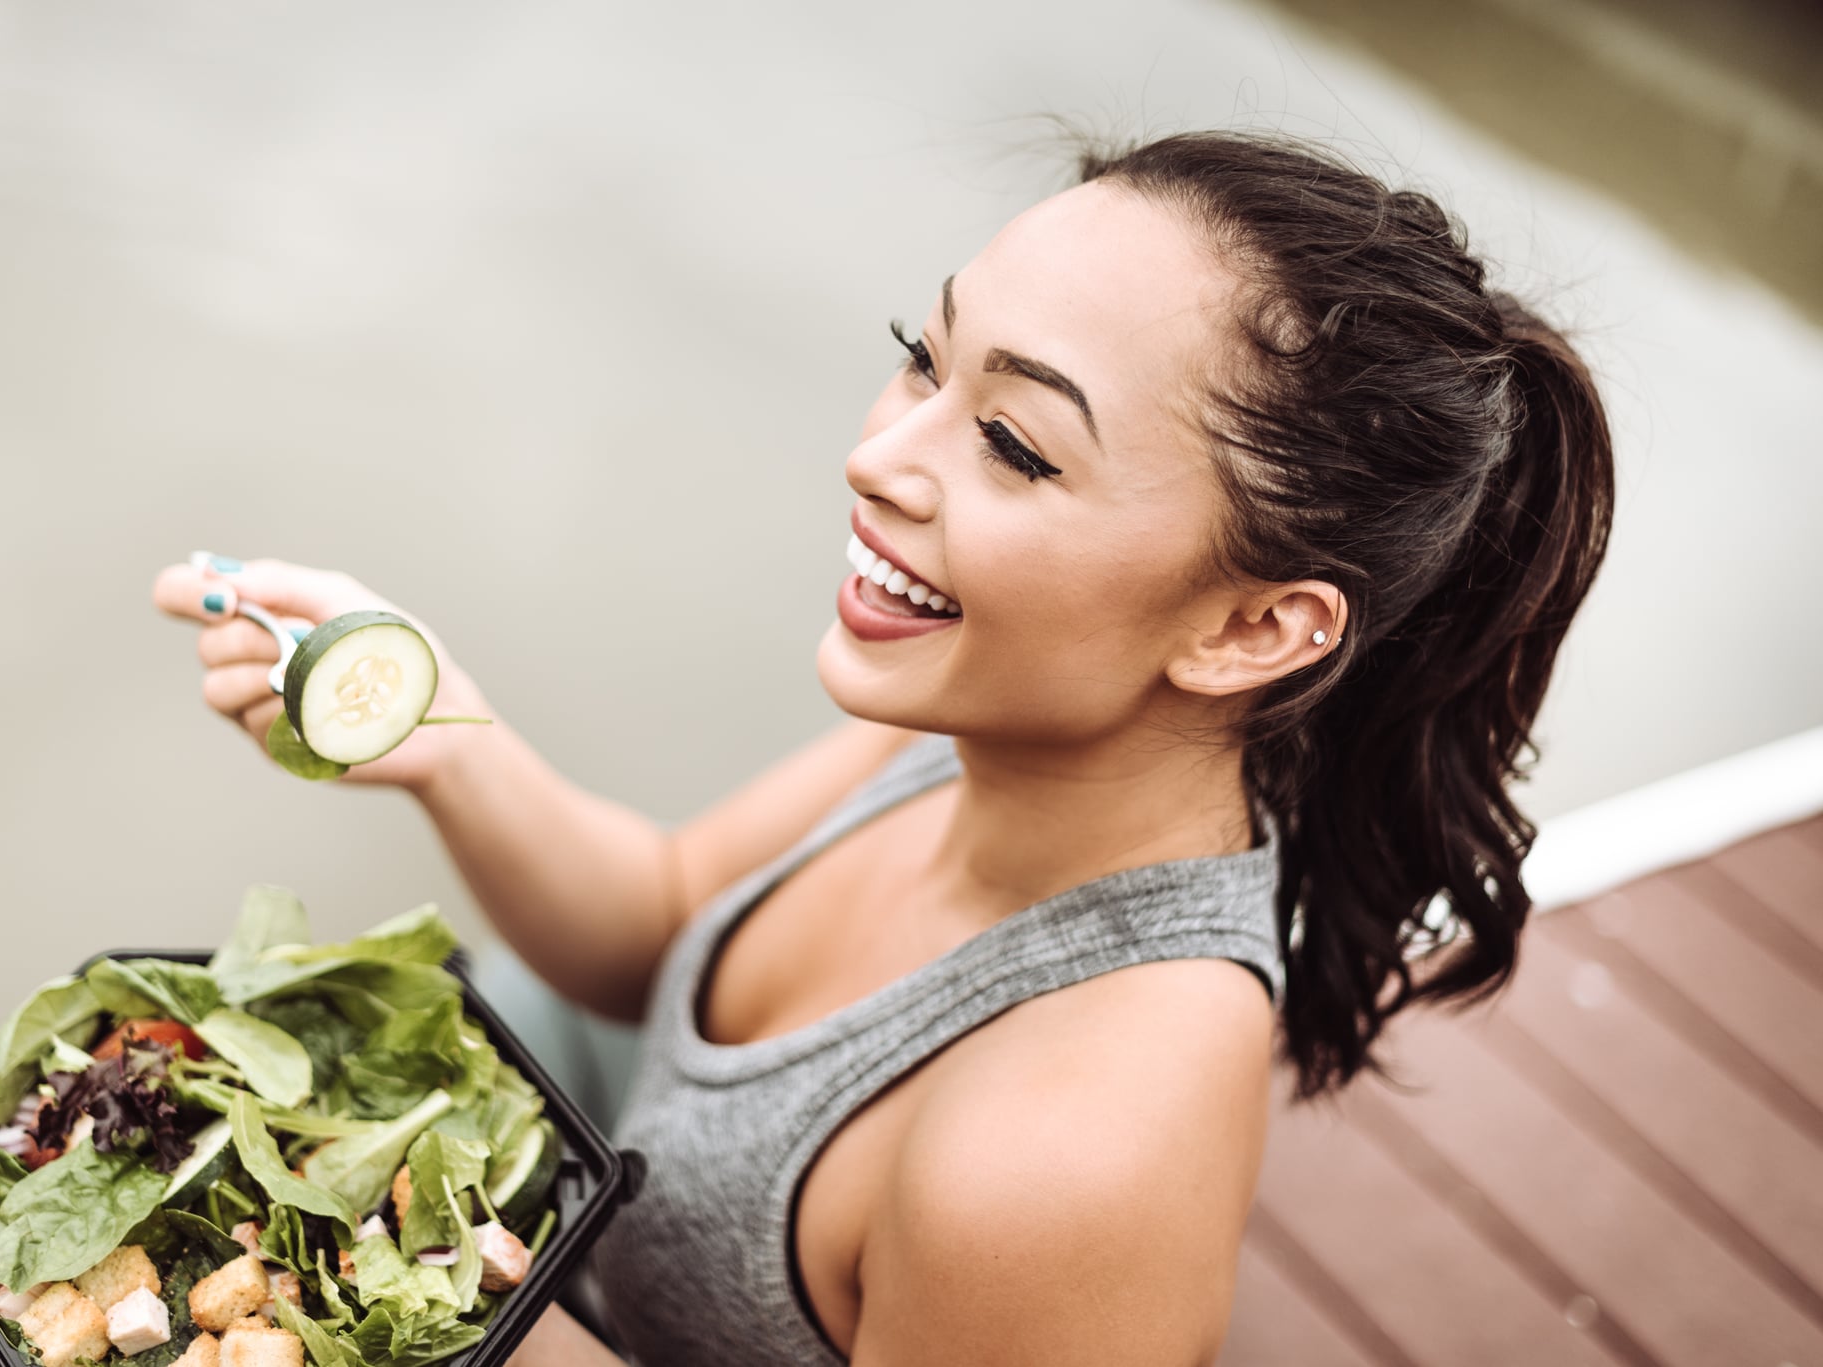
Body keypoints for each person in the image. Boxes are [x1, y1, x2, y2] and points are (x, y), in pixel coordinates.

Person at [152, 129, 1614, 1367]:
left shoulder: (1073, 1155)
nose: (878, 456)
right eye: (925, 359)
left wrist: (428, 1310)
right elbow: (660, 936)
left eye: (1019, 445)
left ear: (1249, 629)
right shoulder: (984, 731)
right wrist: (442, 734)